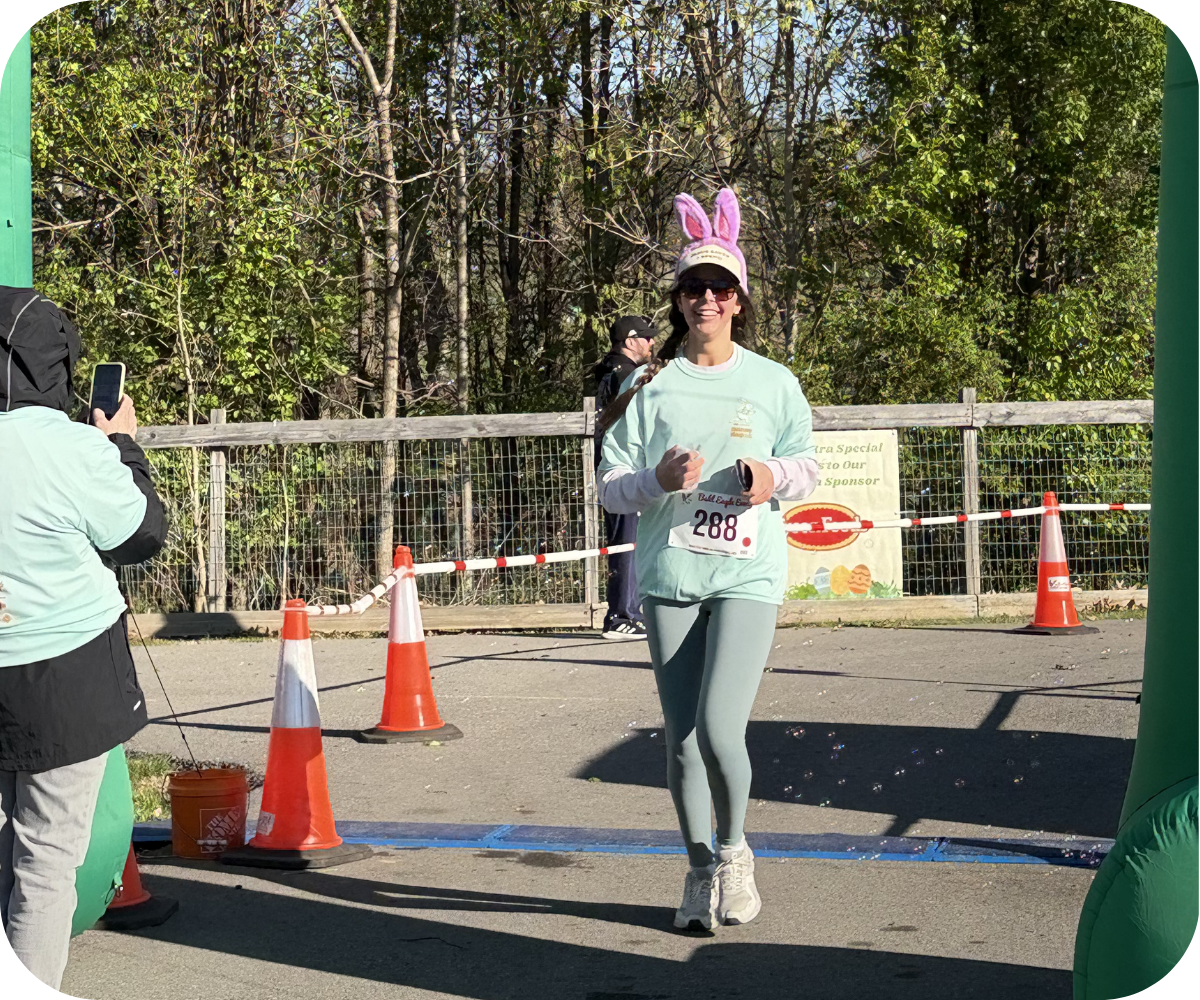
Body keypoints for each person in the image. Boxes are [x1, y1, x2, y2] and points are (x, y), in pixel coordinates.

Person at [597, 190, 819, 931]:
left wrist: (770, 478)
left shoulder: (773, 381)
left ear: (740, 300)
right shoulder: (648, 385)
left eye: (721, 288)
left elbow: (807, 466)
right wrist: (655, 481)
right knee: (682, 738)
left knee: (722, 728)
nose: (707, 300)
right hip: (671, 578)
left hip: (749, 573)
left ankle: (735, 852)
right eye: (694, 287)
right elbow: (610, 486)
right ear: (678, 298)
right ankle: (698, 873)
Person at [0, 287, 167, 988]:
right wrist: (121, 445)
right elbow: (139, 533)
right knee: (45, 859)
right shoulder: (72, 448)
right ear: (55, 364)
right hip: (64, 676)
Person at [593, 315, 657, 639]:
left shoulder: (609, 372)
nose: (651, 343)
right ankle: (620, 615)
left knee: (629, 539)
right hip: (622, 468)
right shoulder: (626, 375)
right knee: (624, 541)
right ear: (630, 340)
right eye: (646, 338)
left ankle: (630, 610)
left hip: (617, 467)